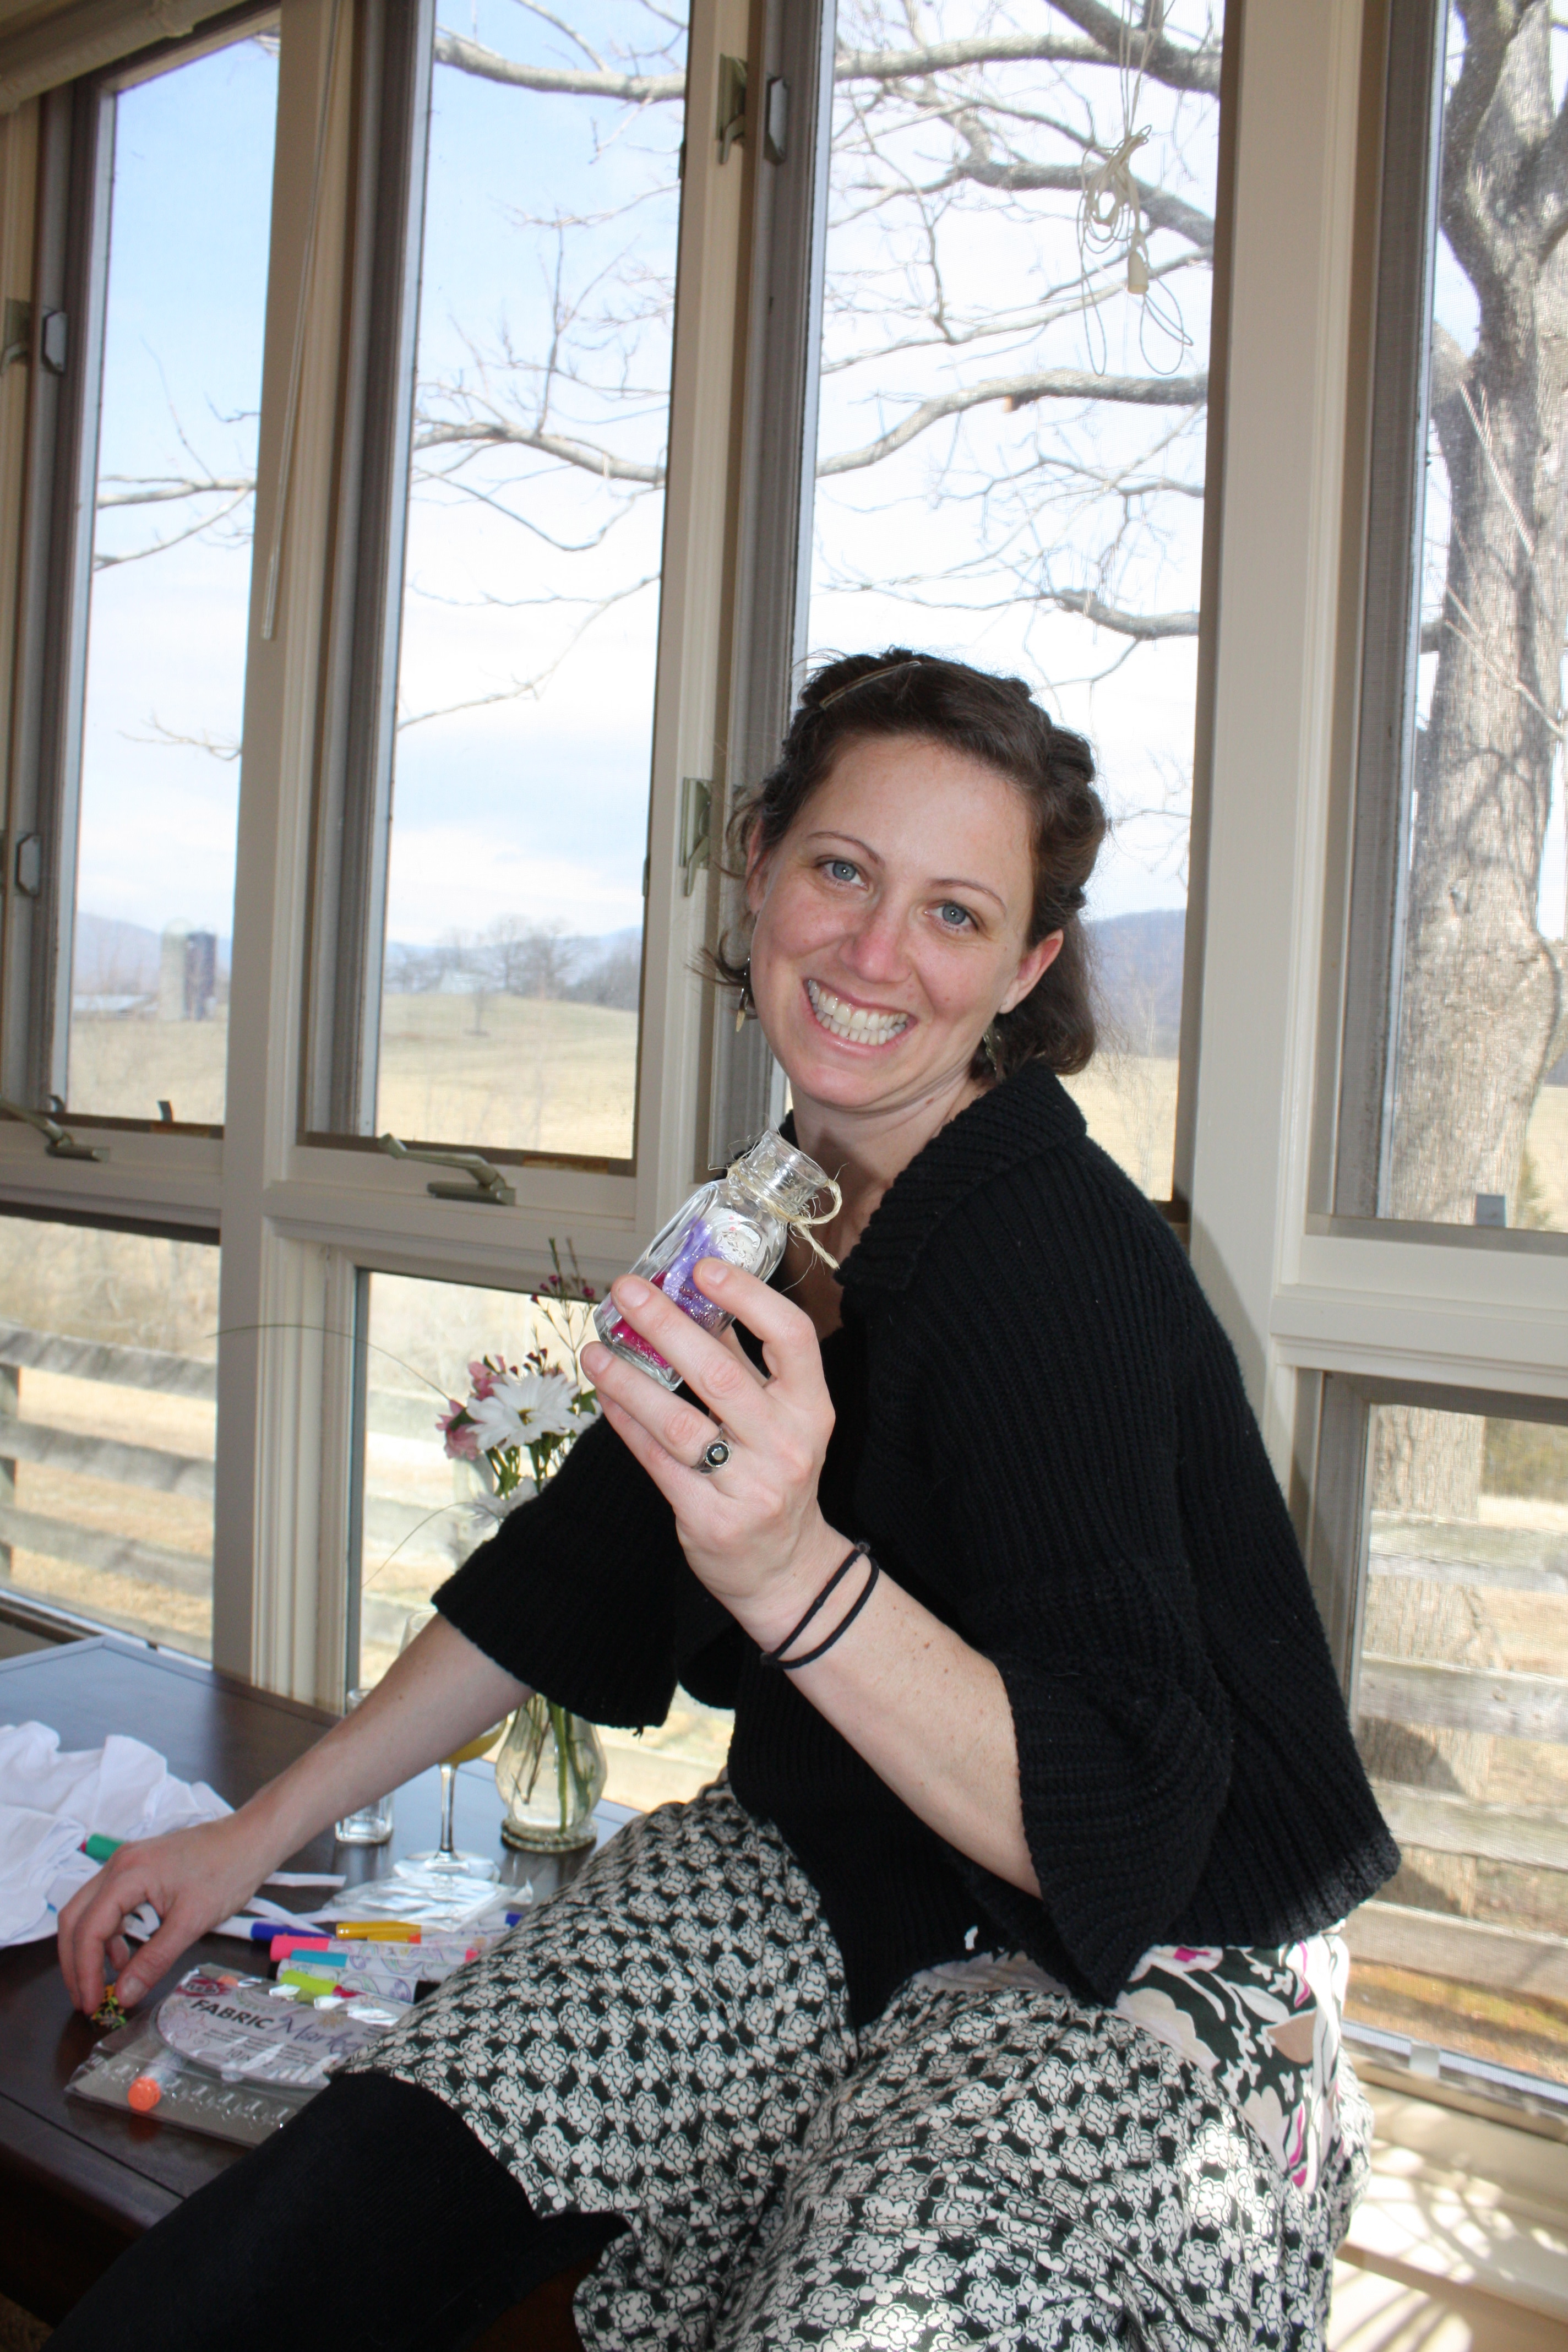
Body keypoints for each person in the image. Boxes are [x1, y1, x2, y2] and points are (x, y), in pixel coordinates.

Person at [54, 650, 1398, 2352]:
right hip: (829, 1875)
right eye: (842, 869)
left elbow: (1117, 1825)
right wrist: (251, 1838)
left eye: (957, 913)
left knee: (862, 2310)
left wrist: (791, 1572)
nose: (876, 954)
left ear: (1026, 968)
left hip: (1154, 1957)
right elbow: (569, 1572)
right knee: (315, 2228)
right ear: (758, 863)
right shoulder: (774, 1212)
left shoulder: (1060, 1263)